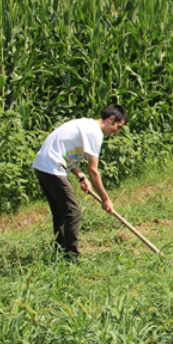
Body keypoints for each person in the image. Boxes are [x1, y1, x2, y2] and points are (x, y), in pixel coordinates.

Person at [32, 105, 128, 260]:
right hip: (51, 166)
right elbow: (94, 171)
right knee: (73, 212)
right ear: (111, 120)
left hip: (43, 165)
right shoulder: (94, 132)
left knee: (61, 213)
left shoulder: (87, 126)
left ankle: (60, 252)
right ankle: (71, 257)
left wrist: (81, 176)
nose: (117, 132)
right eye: (118, 127)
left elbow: (69, 155)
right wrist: (105, 199)